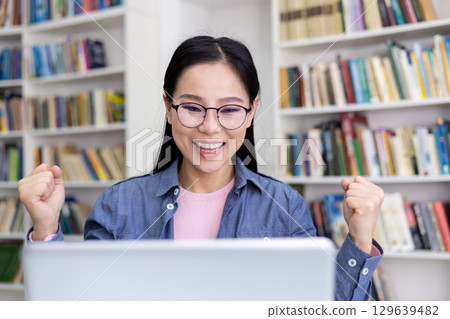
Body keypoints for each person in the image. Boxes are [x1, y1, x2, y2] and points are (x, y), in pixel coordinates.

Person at [18, 35, 384, 301]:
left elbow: (324, 309)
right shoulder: (119, 205)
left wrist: (359, 239)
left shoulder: (285, 207)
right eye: (192, 107)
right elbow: (78, 304)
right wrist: (47, 228)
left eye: (229, 109)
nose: (210, 127)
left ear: (252, 110)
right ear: (168, 106)